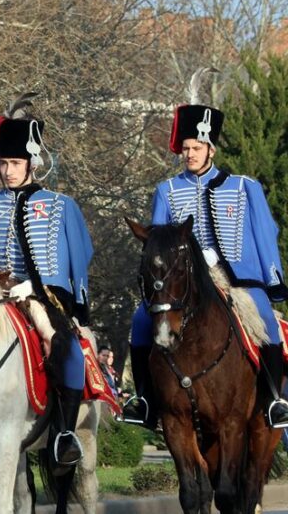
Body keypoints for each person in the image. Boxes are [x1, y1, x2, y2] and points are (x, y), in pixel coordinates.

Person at [121, 92, 288, 430]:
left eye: (196, 148)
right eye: (185, 148)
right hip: (184, 282)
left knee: (267, 324)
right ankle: (145, 400)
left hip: (238, 280)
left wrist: (273, 281)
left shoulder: (244, 187)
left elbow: (265, 235)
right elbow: (156, 239)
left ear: (211, 149)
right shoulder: (167, 190)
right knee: (141, 321)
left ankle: (273, 400)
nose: (189, 154)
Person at [0, 96, 94, 473]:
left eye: (15, 164)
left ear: (32, 164)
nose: (7, 171)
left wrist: (36, 289)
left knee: (65, 349)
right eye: (3, 163)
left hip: (40, 298)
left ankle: (65, 434)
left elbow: (78, 257)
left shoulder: (60, 205)